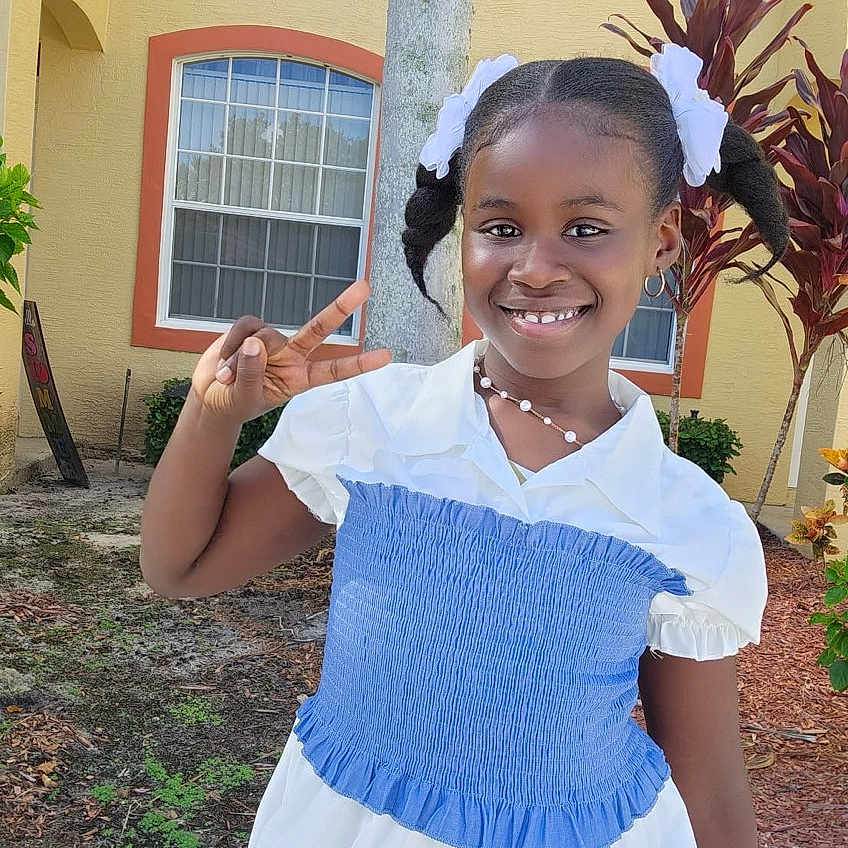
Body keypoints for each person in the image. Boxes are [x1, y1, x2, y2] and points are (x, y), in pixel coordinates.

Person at [140, 44, 788, 848]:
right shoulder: (375, 426)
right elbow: (180, 568)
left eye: (586, 229)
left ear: (660, 242)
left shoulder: (686, 520)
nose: (536, 268)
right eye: (501, 227)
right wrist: (213, 416)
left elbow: (708, 782)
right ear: (463, 233)